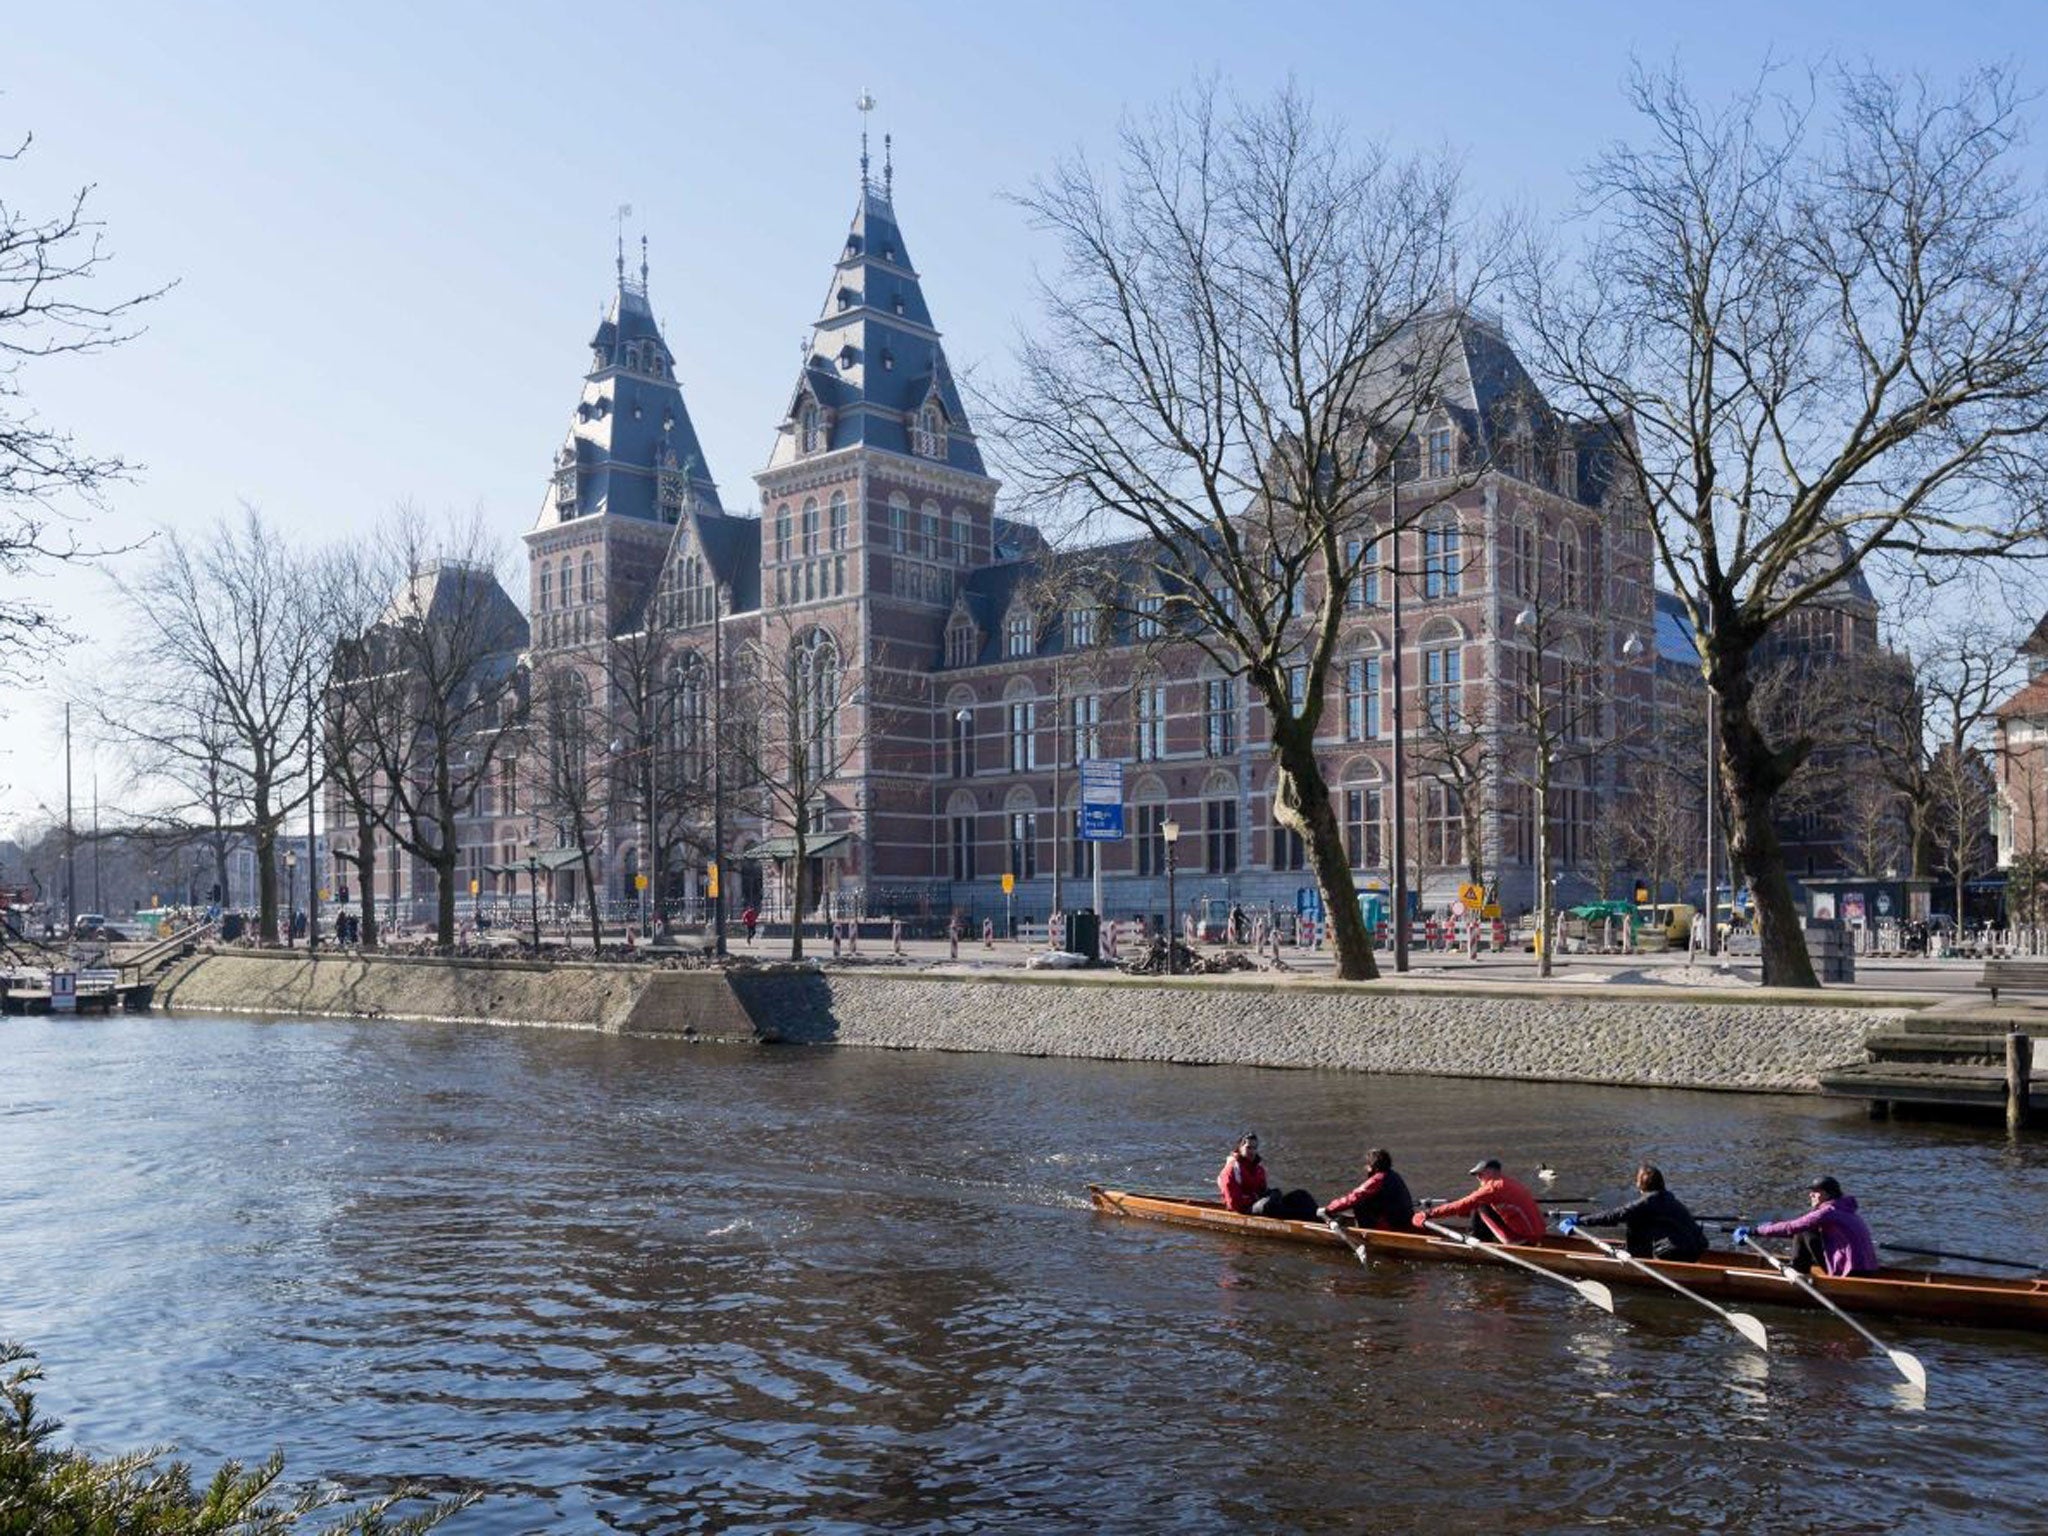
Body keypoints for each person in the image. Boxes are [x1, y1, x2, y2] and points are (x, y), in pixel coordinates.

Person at [1560, 1164, 1707, 1262]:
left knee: (1633, 1220)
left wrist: (1580, 1220)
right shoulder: (1668, 1197)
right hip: (1698, 1247)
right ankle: (1636, 1252)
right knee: (1640, 1221)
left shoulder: (1647, 1202)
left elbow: (1614, 1216)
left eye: (1637, 1181)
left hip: (1678, 1252)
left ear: (1641, 1184)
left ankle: (1634, 1257)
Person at [1736, 1176, 1878, 1277]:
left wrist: (1755, 1231)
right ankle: (1800, 1266)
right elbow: (1792, 1229)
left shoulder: (1827, 1212)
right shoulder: (1846, 1209)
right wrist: (1771, 1229)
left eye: (1815, 1191)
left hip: (1850, 1272)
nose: (1811, 1195)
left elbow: (1792, 1227)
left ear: (1827, 1194)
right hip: (1869, 1269)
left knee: (1803, 1229)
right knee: (1803, 1228)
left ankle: (1799, 1270)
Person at [1415, 1158, 1544, 1244]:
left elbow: (1461, 1204)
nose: (1478, 1178)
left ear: (1490, 1172)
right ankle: (1481, 1237)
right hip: (1538, 1235)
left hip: (1522, 1240)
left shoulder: (1493, 1188)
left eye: (1480, 1175)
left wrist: (1427, 1214)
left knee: (1479, 1205)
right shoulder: (1509, 1182)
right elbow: (1466, 1203)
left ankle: (1477, 1240)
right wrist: (1464, 1209)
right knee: (1478, 1202)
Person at [1216, 1132, 1317, 1220]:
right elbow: (1234, 1204)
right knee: (1269, 1204)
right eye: (1248, 1148)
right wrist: (1256, 1198)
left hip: (1259, 1204)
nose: (1252, 1152)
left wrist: (1270, 1193)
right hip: (1243, 1210)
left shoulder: (1259, 1169)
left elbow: (1262, 1191)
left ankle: (1319, 1216)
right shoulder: (1231, 1169)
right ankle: (1301, 1221)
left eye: (1254, 1148)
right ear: (1240, 1148)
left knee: (1301, 1195)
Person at [1317, 1147, 1415, 1231]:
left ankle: (1363, 1233)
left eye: (1367, 1164)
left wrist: (1329, 1209)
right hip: (1404, 1220)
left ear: (1372, 1166)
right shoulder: (1394, 1175)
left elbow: (1353, 1197)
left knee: (1359, 1203)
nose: (1365, 1167)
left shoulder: (1377, 1179)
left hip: (1391, 1225)